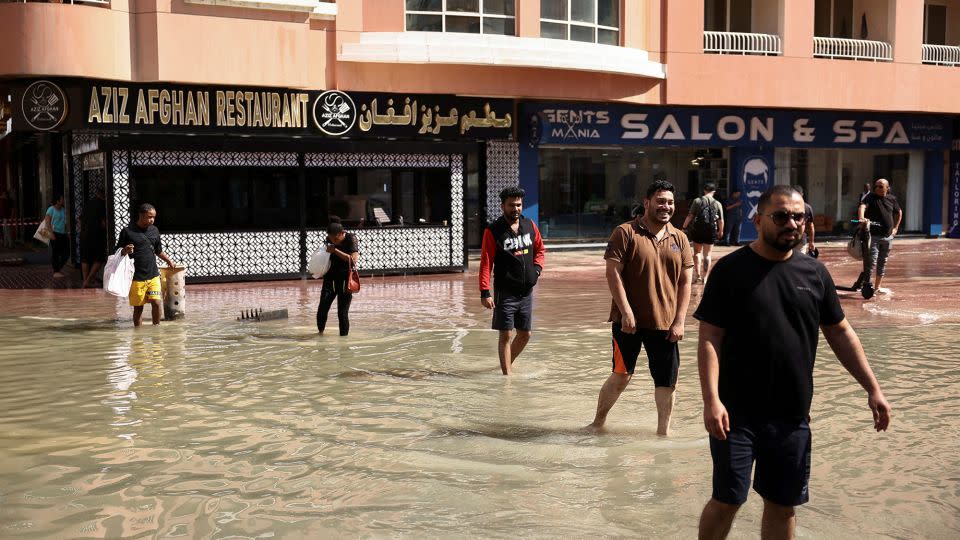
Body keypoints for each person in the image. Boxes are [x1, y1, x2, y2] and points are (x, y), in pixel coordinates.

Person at [694, 185, 891, 539]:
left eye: (799, 216)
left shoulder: (814, 273)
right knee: (728, 500)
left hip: (792, 416)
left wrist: (873, 389)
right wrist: (711, 400)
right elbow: (710, 337)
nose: (792, 223)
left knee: (783, 505)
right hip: (735, 415)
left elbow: (841, 333)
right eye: (781, 215)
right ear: (758, 220)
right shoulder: (730, 270)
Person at [587, 180, 694, 435]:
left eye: (669, 202)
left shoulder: (680, 237)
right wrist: (625, 312)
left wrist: (680, 321)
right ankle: (597, 423)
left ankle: (662, 434)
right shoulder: (625, 232)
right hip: (628, 323)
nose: (665, 206)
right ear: (647, 203)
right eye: (660, 201)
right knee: (621, 376)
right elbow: (612, 273)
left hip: (666, 323)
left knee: (667, 382)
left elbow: (685, 282)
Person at [479, 186, 546, 376]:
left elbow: (540, 250)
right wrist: (485, 292)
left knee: (525, 335)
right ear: (502, 206)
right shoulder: (493, 231)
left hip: (526, 292)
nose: (515, 209)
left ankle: (506, 365)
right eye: (511, 205)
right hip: (505, 292)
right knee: (506, 335)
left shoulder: (530, 226)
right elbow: (485, 263)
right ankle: (507, 379)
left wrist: (537, 270)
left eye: (518, 205)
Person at [116, 203, 176, 326]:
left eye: (153, 217)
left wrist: (168, 260)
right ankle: (138, 337)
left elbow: (158, 250)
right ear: (141, 215)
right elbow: (116, 253)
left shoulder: (154, 230)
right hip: (136, 278)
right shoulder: (127, 232)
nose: (152, 220)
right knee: (139, 309)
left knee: (156, 303)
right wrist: (125, 250)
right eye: (149, 217)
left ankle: (156, 329)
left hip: (153, 275)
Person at [857, 178, 902, 295]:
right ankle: (867, 285)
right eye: (876, 186)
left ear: (887, 188)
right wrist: (861, 218)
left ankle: (877, 287)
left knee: (883, 261)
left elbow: (899, 212)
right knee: (871, 261)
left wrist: (896, 228)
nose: (877, 188)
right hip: (873, 236)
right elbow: (862, 206)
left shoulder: (892, 199)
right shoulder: (870, 197)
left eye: (881, 186)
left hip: (888, 237)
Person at [316, 217, 359, 336]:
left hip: (345, 280)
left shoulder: (351, 238)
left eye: (335, 238)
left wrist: (335, 251)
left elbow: (353, 260)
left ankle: (344, 342)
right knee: (322, 310)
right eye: (330, 238)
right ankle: (320, 335)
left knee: (342, 313)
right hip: (330, 279)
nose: (333, 241)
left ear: (342, 233)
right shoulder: (328, 239)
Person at [683, 183, 724, 283]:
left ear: (704, 190)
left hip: (698, 229)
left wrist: (684, 227)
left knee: (697, 252)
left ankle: (697, 276)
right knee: (707, 255)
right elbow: (721, 220)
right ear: (714, 191)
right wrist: (721, 230)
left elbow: (690, 215)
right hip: (711, 230)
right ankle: (705, 278)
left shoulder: (697, 201)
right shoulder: (717, 203)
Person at [80, 188, 108, 288]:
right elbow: (103, 223)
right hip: (97, 235)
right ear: (104, 194)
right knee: (99, 258)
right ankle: (88, 280)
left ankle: (85, 280)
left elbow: (80, 220)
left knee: (85, 258)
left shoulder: (87, 204)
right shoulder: (103, 205)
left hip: (84, 234)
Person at [44, 195, 69, 278]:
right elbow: (47, 222)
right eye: (62, 199)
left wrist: (67, 233)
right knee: (56, 253)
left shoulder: (63, 210)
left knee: (66, 253)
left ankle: (58, 268)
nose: (63, 201)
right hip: (54, 233)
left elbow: (65, 223)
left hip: (63, 234)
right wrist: (51, 233)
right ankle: (56, 271)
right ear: (57, 201)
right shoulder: (51, 209)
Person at [793, 185, 816, 256]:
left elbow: (811, 226)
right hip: (801, 239)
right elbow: (811, 226)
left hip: (788, 238)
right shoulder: (807, 207)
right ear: (802, 194)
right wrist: (811, 242)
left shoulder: (786, 206)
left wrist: (811, 242)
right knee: (800, 261)